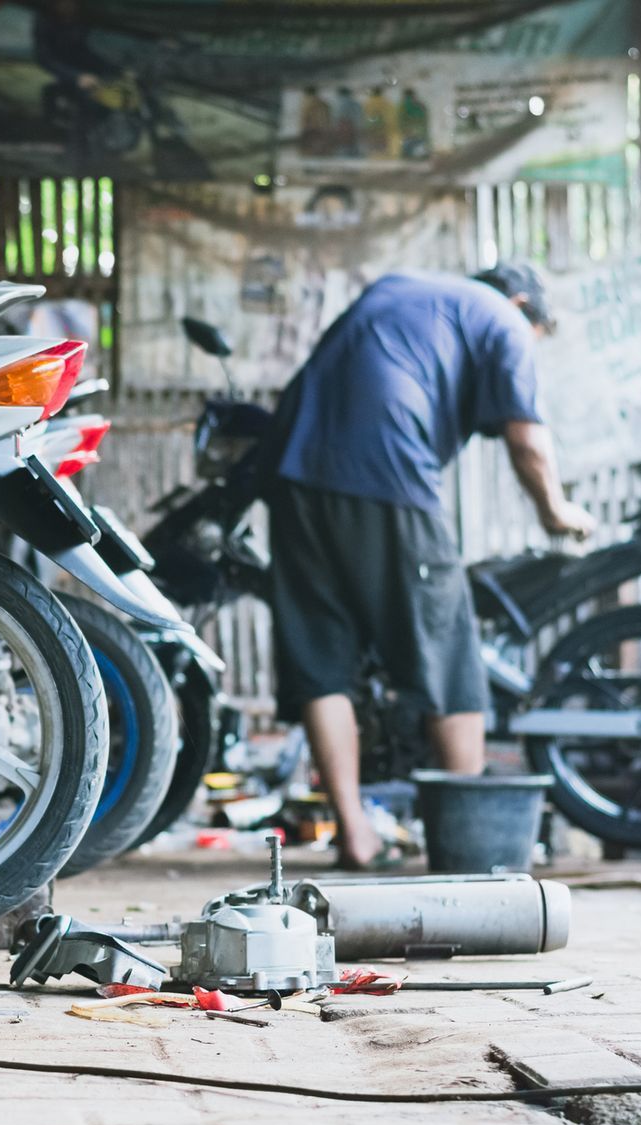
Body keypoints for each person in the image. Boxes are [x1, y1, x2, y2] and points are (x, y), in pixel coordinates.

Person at [264, 265, 595, 869]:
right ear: (523, 304)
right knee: (450, 652)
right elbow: (527, 440)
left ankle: (355, 832)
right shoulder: (504, 321)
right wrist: (556, 510)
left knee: (322, 658)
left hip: (291, 466)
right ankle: (462, 843)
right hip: (384, 470)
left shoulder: (403, 289)